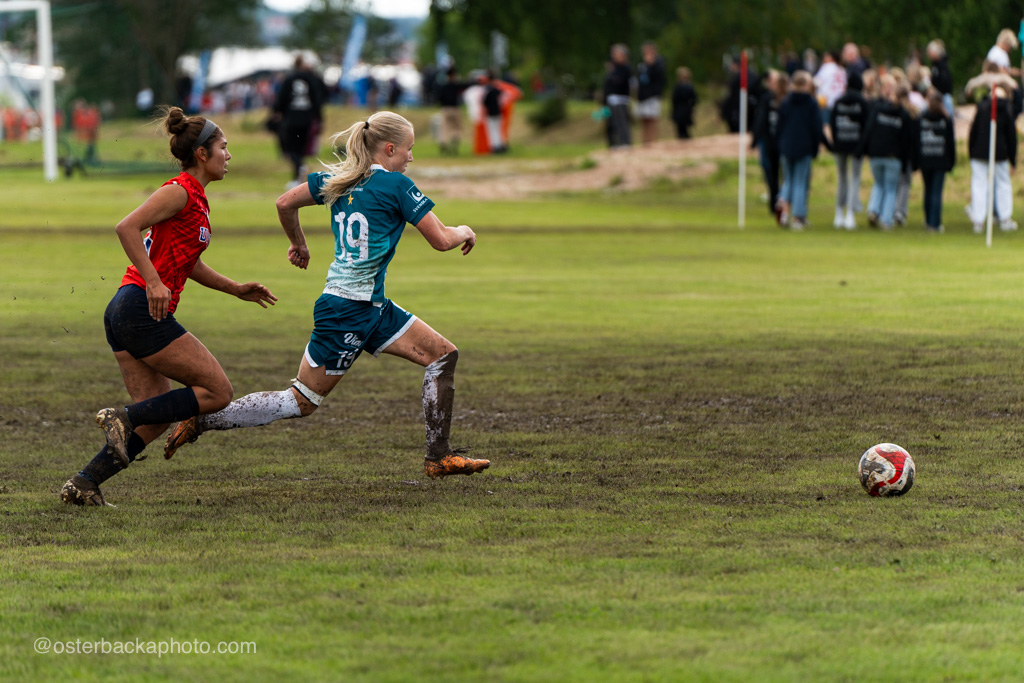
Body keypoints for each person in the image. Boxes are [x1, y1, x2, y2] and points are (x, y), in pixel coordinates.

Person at [161, 111, 489, 481]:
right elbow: (441, 240)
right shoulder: (397, 185)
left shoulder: (338, 180)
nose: (411, 157)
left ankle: (438, 457)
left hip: (371, 306)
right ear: (390, 148)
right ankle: (203, 420)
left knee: (443, 355)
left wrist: (298, 243)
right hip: (349, 310)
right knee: (301, 401)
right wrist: (464, 230)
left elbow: (284, 203)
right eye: (408, 149)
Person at [60, 108, 278, 507]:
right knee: (218, 391)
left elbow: (188, 262)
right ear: (202, 154)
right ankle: (123, 417)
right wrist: (154, 281)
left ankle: (85, 483)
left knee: (157, 414)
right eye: (223, 147)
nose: (229, 154)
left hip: (127, 310)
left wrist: (235, 289)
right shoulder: (179, 191)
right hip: (139, 307)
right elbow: (126, 227)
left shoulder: (197, 199)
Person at [775, 70, 828, 230]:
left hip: (786, 146)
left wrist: (780, 144)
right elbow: (816, 127)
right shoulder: (811, 103)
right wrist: (818, 146)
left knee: (788, 180)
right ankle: (798, 217)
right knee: (799, 182)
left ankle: (784, 210)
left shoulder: (786, 101)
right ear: (806, 85)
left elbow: (779, 126)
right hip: (804, 147)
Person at [860, 74, 913, 231]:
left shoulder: (878, 110)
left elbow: (868, 130)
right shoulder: (903, 115)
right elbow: (906, 140)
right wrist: (906, 161)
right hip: (893, 156)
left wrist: (864, 150)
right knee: (890, 188)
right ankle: (886, 219)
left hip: (876, 154)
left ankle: (873, 210)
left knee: (878, 184)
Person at [967, 87, 1018, 233]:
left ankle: (979, 221)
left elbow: (973, 131)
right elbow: (1011, 137)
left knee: (979, 185)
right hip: (1000, 153)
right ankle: (1004, 219)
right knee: (1002, 184)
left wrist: (971, 152)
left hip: (980, 152)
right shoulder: (1006, 109)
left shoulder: (982, 108)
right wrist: (1012, 160)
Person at [272, 55, 327, 187]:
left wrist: (277, 111)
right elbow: (319, 98)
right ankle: (299, 171)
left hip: (291, 119)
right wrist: (319, 118)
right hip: (307, 118)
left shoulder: (290, 78)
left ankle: (299, 170)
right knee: (300, 149)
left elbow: (282, 98)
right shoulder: (312, 78)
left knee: (292, 149)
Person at [829, 72, 869, 229]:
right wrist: (863, 146)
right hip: (856, 145)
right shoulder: (862, 102)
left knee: (842, 178)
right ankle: (850, 215)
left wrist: (835, 142)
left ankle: (838, 213)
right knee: (855, 179)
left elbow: (832, 124)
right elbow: (866, 126)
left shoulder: (838, 101)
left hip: (840, 144)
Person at [916, 88, 956, 232]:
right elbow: (951, 143)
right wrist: (952, 161)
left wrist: (917, 159)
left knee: (928, 190)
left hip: (925, 158)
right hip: (940, 160)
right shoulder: (946, 120)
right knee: (936, 191)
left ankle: (928, 220)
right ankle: (935, 223)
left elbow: (917, 140)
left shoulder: (921, 118)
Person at [751, 70, 787, 223]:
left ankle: (780, 204)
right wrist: (755, 140)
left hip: (780, 143)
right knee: (772, 175)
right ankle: (775, 203)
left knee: (782, 175)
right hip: (771, 142)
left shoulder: (785, 99)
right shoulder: (767, 97)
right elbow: (761, 119)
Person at [636, 41, 667, 145]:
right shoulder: (642, 65)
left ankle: (653, 141)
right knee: (644, 119)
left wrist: (652, 65)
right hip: (642, 96)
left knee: (653, 118)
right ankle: (645, 141)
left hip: (653, 95)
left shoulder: (658, 64)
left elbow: (661, 78)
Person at [604, 44, 633, 147]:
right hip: (611, 100)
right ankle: (615, 143)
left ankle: (625, 143)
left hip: (620, 99)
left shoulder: (625, 68)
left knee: (622, 122)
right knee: (613, 123)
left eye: (616, 54)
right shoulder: (613, 68)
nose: (614, 56)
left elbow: (621, 83)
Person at [436, 65, 468, 156]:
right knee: (456, 128)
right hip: (455, 108)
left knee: (444, 128)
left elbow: (438, 98)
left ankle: (443, 142)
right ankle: (454, 143)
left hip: (445, 109)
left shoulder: (443, 86)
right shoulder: (456, 85)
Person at [926, 39, 955, 118]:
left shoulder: (942, 65)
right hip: (937, 96)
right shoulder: (935, 65)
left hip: (944, 96)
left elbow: (945, 81)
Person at [670, 66, 698, 139]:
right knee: (680, 127)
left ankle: (686, 139)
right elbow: (674, 99)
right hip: (679, 109)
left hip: (686, 109)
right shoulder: (677, 86)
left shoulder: (690, 86)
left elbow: (694, 98)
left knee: (685, 127)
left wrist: (691, 106)